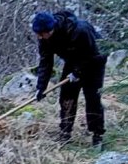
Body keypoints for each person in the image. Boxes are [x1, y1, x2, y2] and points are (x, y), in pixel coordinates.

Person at [31, 9, 106, 146]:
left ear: (50, 29)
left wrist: (78, 73)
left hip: (94, 61)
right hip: (72, 62)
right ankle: (65, 132)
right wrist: (41, 87)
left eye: (41, 34)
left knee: (92, 98)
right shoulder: (45, 39)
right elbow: (46, 62)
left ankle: (97, 135)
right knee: (67, 96)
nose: (39, 37)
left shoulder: (80, 30)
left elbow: (92, 55)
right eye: (38, 34)